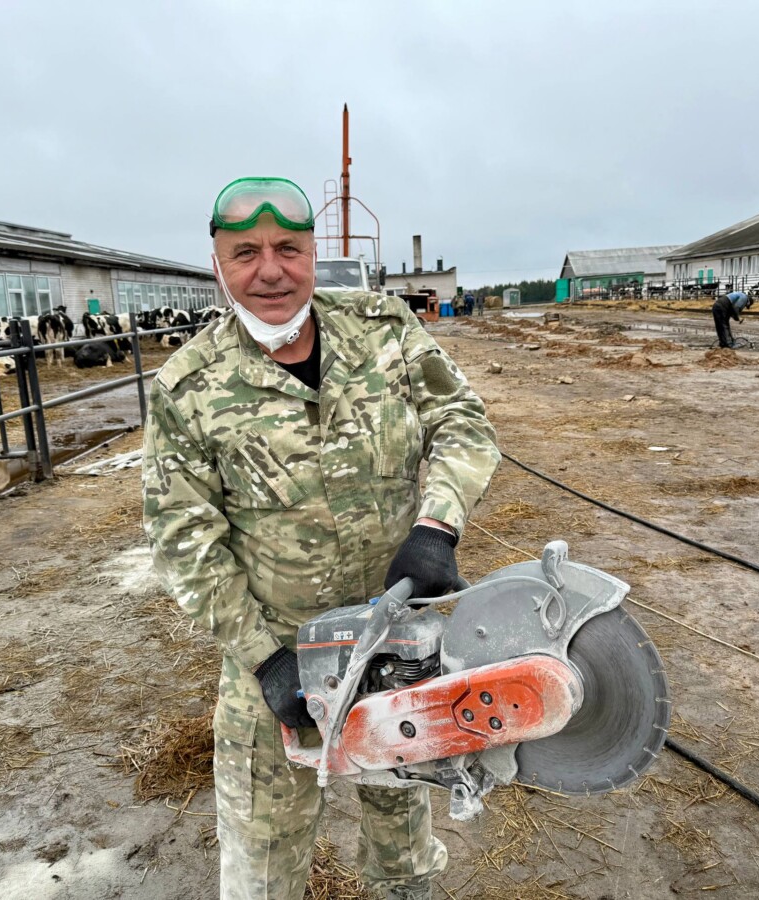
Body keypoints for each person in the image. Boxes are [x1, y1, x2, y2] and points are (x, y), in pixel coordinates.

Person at [142, 176, 500, 900]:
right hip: (276, 663)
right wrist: (263, 657)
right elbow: (185, 539)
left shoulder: (384, 330)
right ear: (217, 262)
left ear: (312, 253)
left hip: (396, 649)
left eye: (288, 249)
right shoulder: (189, 388)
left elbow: (462, 421)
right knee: (263, 865)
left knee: (404, 848)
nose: (270, 271)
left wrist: (436, 526)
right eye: (245, 253)